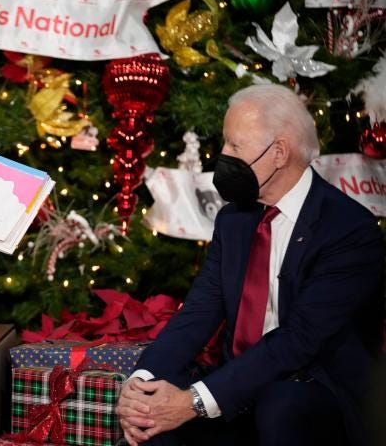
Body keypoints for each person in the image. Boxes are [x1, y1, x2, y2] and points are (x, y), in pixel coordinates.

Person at [116, 84, 383, 446]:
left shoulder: (349, 229)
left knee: (280, 404)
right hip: (239, 384)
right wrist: (141, 383)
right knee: (152, 416)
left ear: (278, 153)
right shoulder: (235, 220)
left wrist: (194, 401)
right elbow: (197, 313)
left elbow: (298, 341)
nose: (222, 155)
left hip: (317, 388)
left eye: (234, 146)